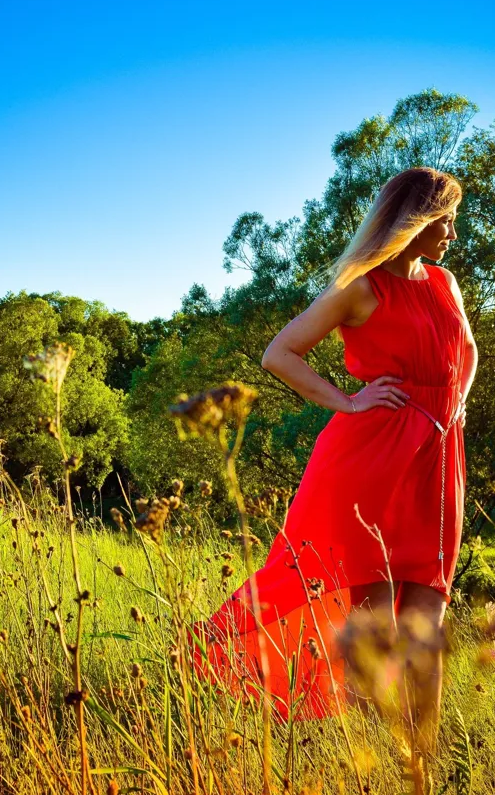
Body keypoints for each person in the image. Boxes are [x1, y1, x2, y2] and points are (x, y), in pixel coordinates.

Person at [190, 166, 477, 754]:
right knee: (377, 619)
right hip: (368, 459)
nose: (452, 229)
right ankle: (380, 760)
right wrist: (348, 400)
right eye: (444, 216)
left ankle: (423, 759)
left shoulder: (446, 284)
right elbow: (280, 353)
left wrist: (456, 406)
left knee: (429, 608)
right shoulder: (362, 287)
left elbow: (467, 350)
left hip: (439, 457)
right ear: (413, 219)